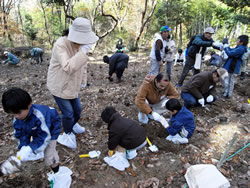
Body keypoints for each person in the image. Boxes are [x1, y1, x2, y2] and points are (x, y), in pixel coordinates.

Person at [47, 17, 99, 149]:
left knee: (77, 110)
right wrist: (82, 52)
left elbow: (83, 66)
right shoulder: (61, 44)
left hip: (72, 84)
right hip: (59, 84)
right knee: (68, 113)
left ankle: (72, 125)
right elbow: (68, 67)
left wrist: (83, 81)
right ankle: (67, 133)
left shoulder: (79, 46)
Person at [1, 88, 71, 183]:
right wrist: (23, 148)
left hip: (50, 130)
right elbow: (21, 135)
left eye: (18, 113)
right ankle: (37, 148)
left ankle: (57, 172)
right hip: (35, 128)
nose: (16, 116)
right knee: (34, 144)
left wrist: (30, 149)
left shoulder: (40, 116)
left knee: (50, 155)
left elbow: (45, 136)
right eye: (13, 114)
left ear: (29, 104)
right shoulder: (18, 120)